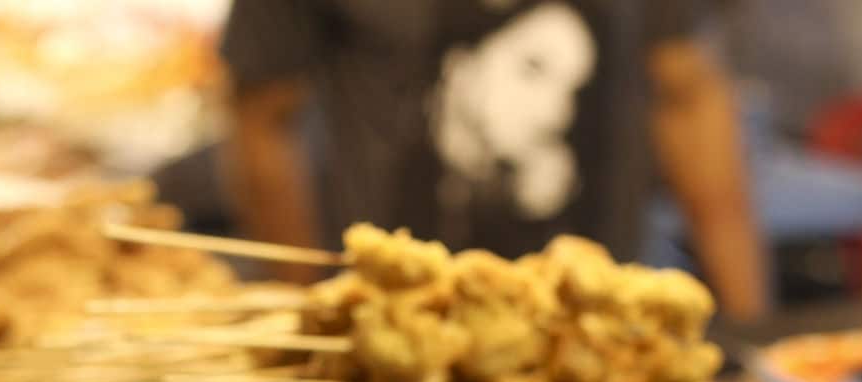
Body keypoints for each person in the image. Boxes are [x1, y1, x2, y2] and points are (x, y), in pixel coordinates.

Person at [219, 0, 769, 319]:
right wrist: (312, 317)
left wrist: (754, 333)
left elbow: (689, 90)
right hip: (404, 329)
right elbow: (263, 119)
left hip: (602, 326)